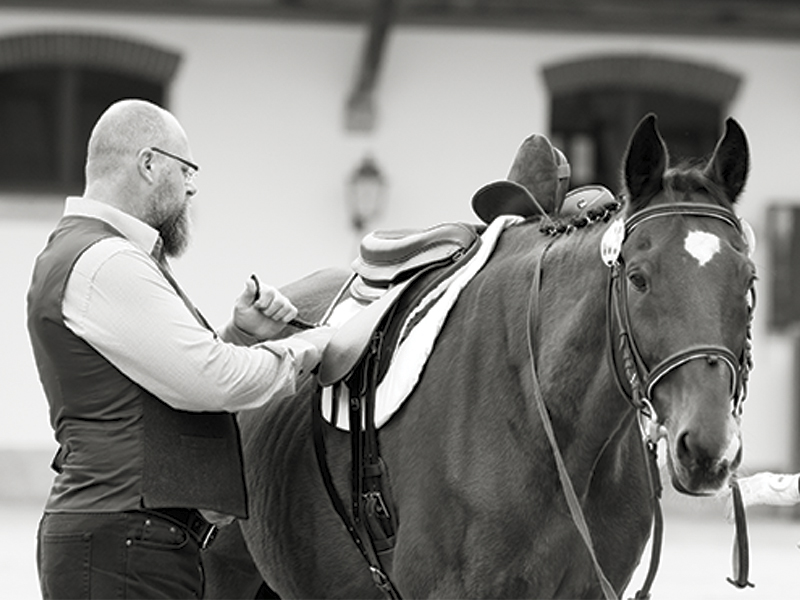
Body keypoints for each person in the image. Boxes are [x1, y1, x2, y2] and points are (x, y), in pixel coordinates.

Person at [26, 98, 335, 599]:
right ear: (149, 164)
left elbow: (171, 377)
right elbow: (210, 380)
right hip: (124, 542)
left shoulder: (90, 252)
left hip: (123, 539)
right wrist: (313, 346)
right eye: (187, 169)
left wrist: (241, 335)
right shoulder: (105, 260)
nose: (192, 187)